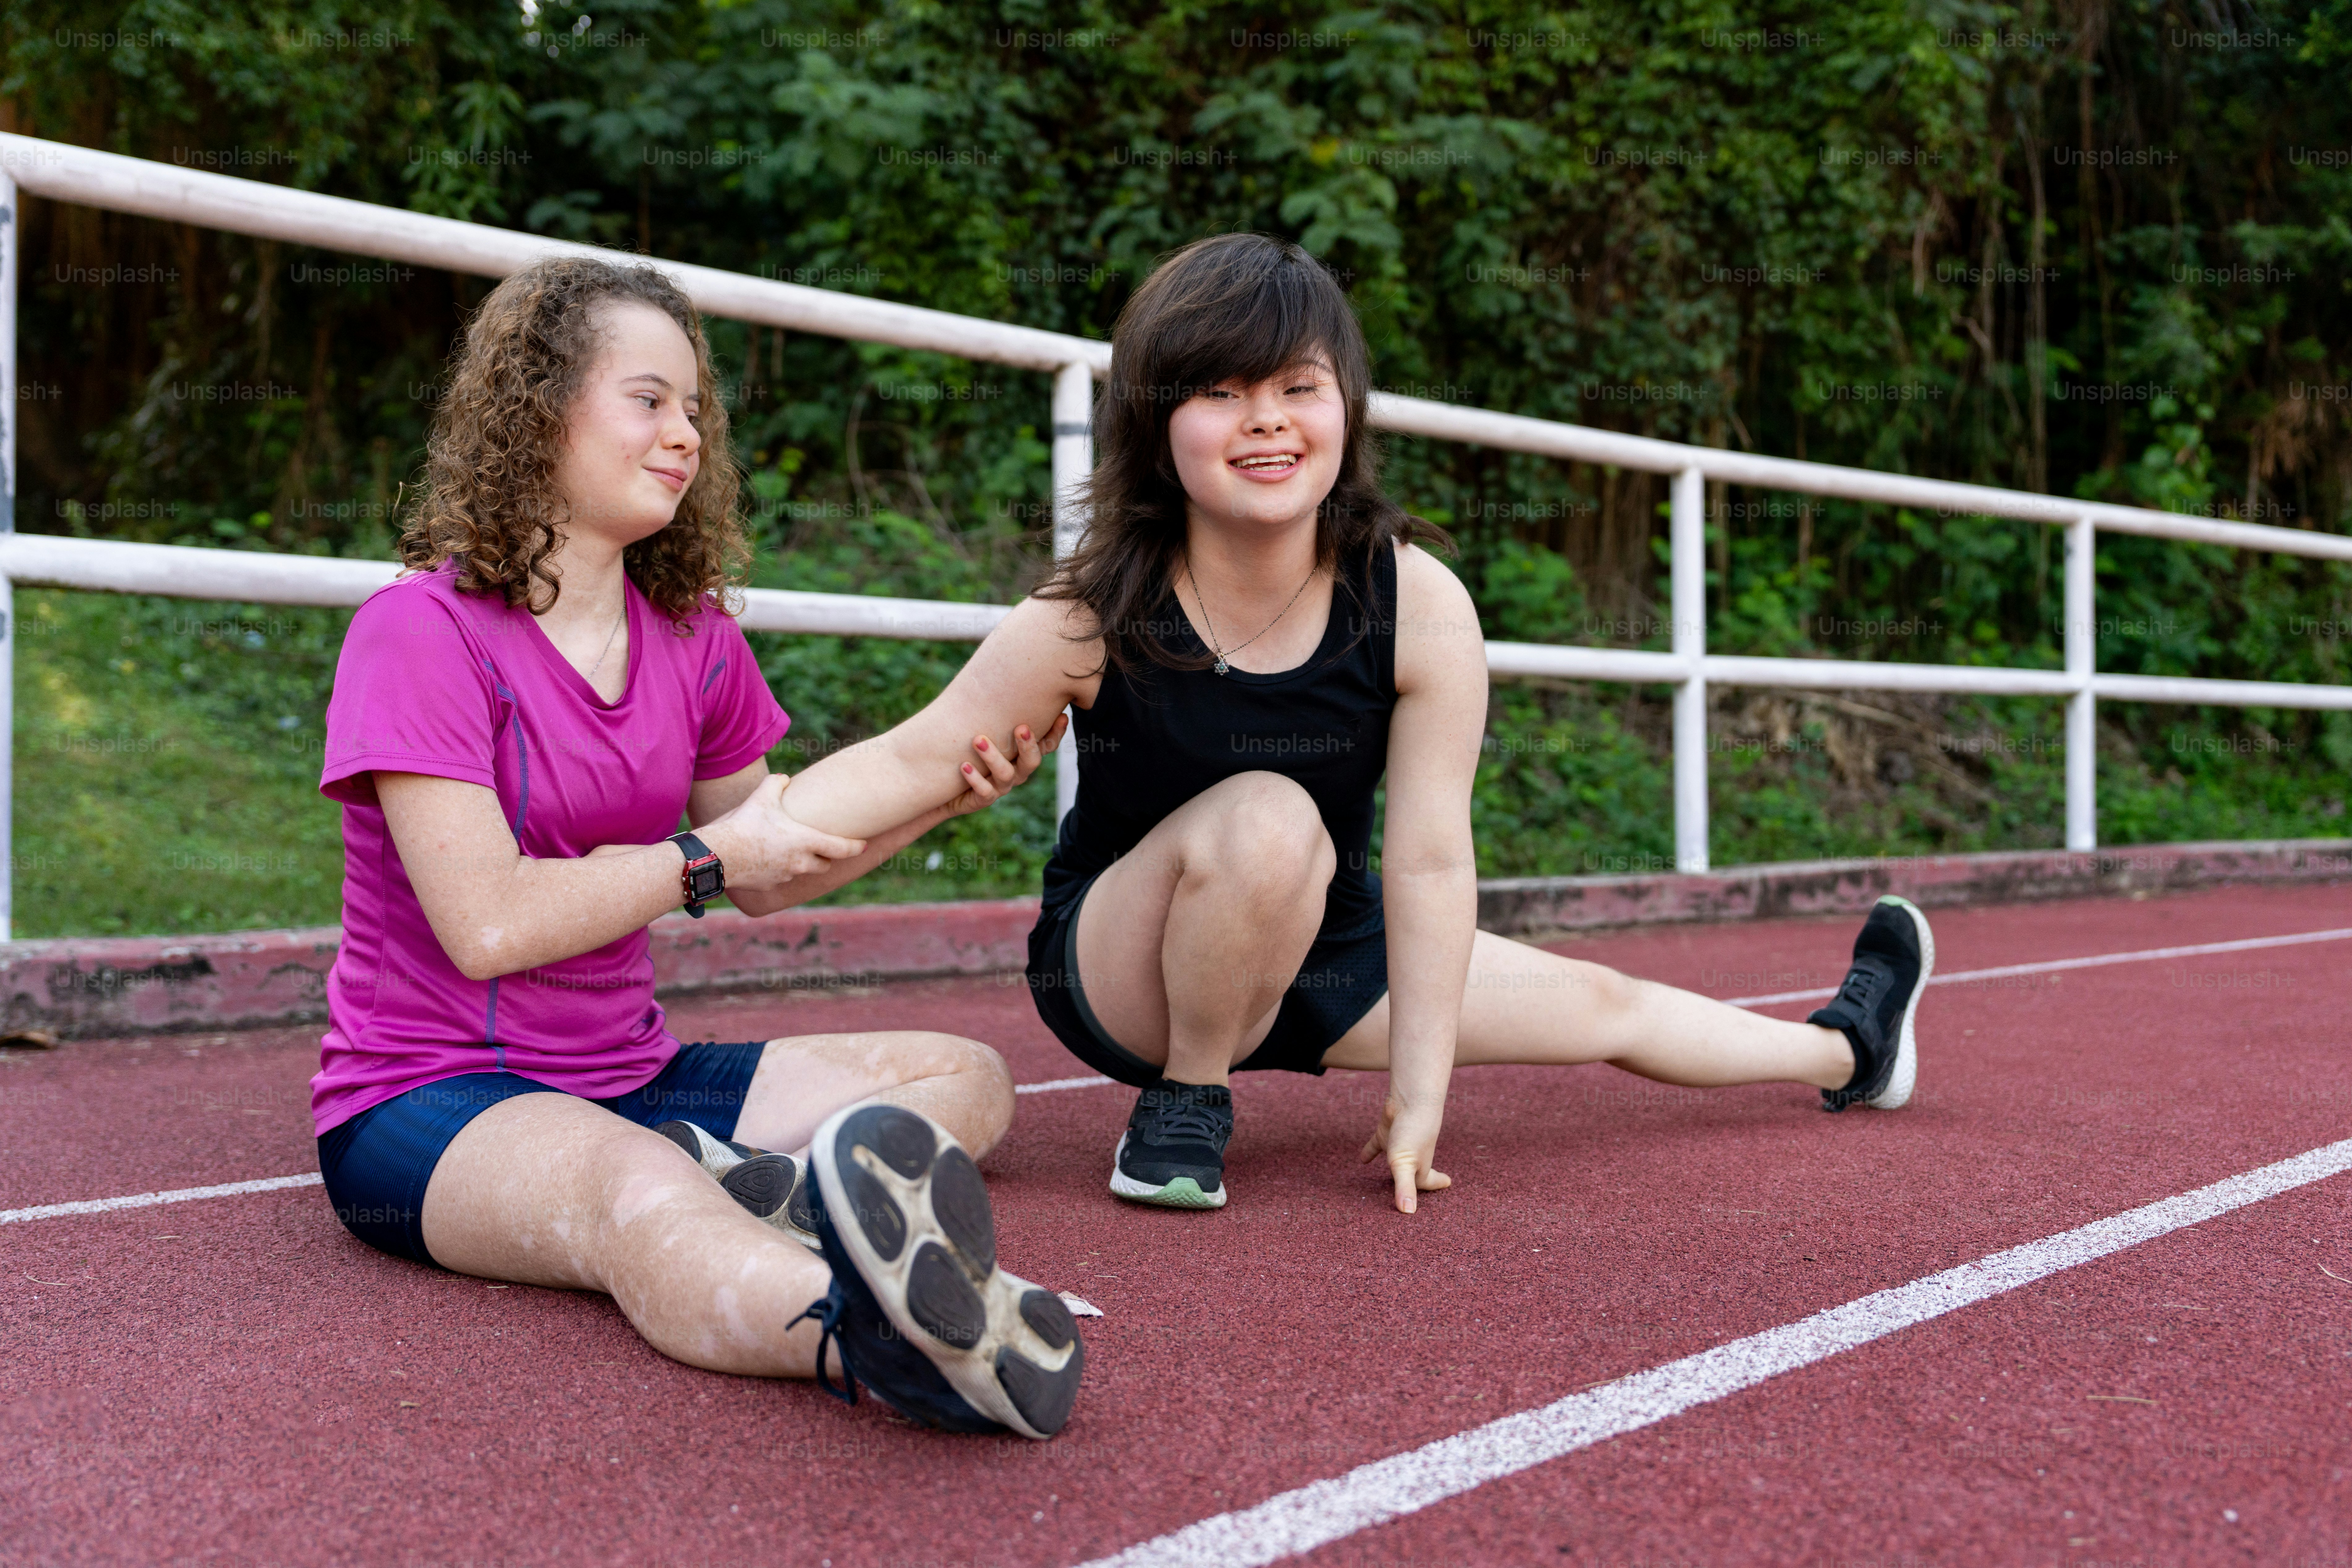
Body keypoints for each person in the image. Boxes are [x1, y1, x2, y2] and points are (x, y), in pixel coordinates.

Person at [762, 232, 1937, 1216]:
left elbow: (1428, 854)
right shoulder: (1090, 615)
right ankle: (1184, 1108)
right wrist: (716, 859)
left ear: (1345, 407)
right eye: (1218, 392)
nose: (1263, 423)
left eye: (1295, 389)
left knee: (1602, 1005)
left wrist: (1421, 1084)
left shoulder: (1415, 600)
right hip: (1127, 970)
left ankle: (1850, 1049)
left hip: (1323, 942)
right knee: (1268, 815)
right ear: (1155, 425)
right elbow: (912, 759)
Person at [309, 255, 1082, 1439]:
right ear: (539, 406)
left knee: (965, 1081)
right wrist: (706, 859)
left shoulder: (693, 636)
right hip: (430, 1094)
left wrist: (942, 804)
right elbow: (490, 925)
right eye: (649, 399)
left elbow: (774, 868)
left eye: (695, 411)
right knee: (639, 1196)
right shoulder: (416, 632)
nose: (685, 434)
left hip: (632, 1074)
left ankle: (731, 1176)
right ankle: (886, 1335)